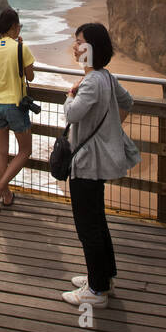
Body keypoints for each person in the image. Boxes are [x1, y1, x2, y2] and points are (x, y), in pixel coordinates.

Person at [61, 23, 136, 307]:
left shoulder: (91, 82)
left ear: (92, 47)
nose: (75, 46)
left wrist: (69, 96)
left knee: (87, 225)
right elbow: (129, 101)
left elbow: (73, 113)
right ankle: (104, 277)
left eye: (79, 42)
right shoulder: (106, 76)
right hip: (97, 160)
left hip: (87, 162)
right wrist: (112, 133)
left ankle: (96, 291)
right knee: (98, 221)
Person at [0, 7, 36, 209]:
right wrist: (20, 47)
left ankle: (5, 196)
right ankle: (0, 186)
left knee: (2, 152)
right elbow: (30, 76)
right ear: (15, 27)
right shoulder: (21, 48)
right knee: (25, 150)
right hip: (14, 104)